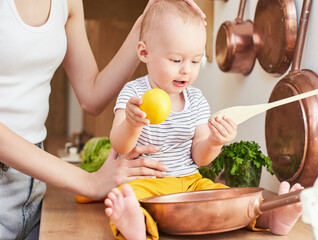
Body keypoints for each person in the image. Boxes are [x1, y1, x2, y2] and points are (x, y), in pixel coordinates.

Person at [0, 0, 204, 239]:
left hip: (34, 176)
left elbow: (91, 97)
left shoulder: (68, 3)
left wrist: (148, 23)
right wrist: (89, 182)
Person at [105, 1, 303, 240]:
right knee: (129, 195)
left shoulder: (196, 100)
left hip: (191, 183)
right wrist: (132, 123)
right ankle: (136, 224)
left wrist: (215, 142)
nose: (186, 70)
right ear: (144, 52)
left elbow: (200, 157)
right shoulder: (133, 93)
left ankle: (268, 216)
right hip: (148, 182)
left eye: (196, 61)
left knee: (224, 195)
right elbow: (119, 145)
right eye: (176, 60)